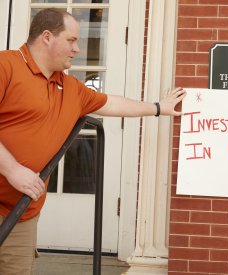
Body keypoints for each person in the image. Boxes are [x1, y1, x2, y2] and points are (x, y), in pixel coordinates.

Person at [0, 8, 185, 274]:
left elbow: (112, 104)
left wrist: (158, 107)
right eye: (72, 40)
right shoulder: (6, 65)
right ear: (47, 37)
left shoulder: (70, 88)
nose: (77, 48)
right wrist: (12, 169)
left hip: (22, 212)